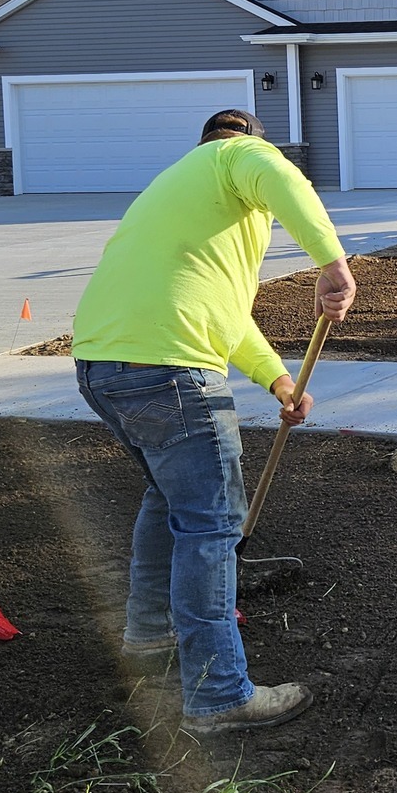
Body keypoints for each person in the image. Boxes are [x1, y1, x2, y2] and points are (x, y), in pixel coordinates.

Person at [73, 109, 357, 733]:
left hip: (102, 364)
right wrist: (331, 262)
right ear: (247, 146)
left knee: (165, 496)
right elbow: (282, 176)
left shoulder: (178, 192)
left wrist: (278, 379)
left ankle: (149, 636)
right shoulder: (236, 159)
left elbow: (223, 314)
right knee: (210, 525)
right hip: (170, 370)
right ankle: (220, 693)